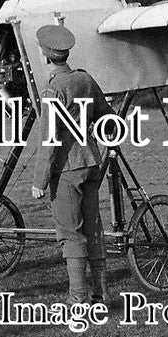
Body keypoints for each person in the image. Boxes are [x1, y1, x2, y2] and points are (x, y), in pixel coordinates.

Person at [30, 24, 115, 305]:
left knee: (71, 233)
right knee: (93, 228)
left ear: (44, 56)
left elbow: (50, 141)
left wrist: (39, 182)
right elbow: (108, 117)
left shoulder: (53, 90)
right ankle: (100, 294)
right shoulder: (85, 80)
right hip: (92, 162)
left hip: (68, 169)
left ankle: (77, 298)